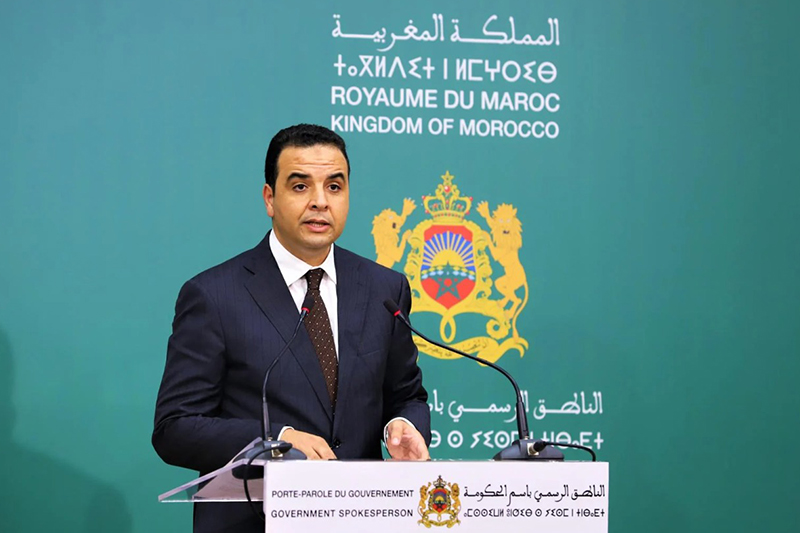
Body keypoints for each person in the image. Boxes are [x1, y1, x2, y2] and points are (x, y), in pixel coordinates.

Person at [153, 124, 431, 533]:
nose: (320, 201)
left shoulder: (384, 288)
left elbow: (406, 395)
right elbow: (175, 428)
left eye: (334, 186)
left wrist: (402, 426)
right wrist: (275, 441)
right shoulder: (214, 296)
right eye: (300, 186)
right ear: (270, 198)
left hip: (363, 519)